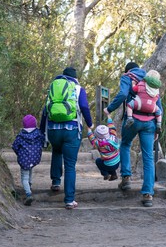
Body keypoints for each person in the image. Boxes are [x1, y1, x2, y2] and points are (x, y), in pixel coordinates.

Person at [104, 62, 163, 207]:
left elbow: (123, 94)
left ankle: (126, 178)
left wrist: (109, 108)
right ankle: (148, 194)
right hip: (150, 122)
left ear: (128, 70)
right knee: (148, 156)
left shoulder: (127, 77)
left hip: (133, 119)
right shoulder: (150, 79)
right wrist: (157, 127)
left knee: (124, 144)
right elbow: (159, 105)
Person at [40, 67, 93, 209]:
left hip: (53, 130)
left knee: (57, 151)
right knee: (70, 165)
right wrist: (90, 123)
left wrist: (41, 131)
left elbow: (45, 110)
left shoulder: (54, 86)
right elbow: (84, 106)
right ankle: (69, 200)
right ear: (75, 77)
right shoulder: (78, 89)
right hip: (71, 130)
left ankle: (56, 182)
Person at [12, 114, 45, 206]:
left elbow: (14, 146)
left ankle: (28, 194)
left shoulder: (20, 136)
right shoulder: (38, 134)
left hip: (24, 159)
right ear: (35, 124)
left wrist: (19, 153)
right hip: (34, 158)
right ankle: (29, 188)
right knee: (29, 171)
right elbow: (43, 142)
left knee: (24, 177)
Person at [125, 69, 162, 135]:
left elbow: (134, 89)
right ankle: (159, 124)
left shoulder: (142, 84)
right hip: (152, 108)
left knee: (129, 105)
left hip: (139, 105)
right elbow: (157, 98)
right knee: (159, 112)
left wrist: (133, 84)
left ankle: (129, 118)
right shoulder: (157, 90)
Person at [87, 114, 120, 181]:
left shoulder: (98, 143)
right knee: (110, 161)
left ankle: (105, 174)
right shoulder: (114, 137)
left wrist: (89, 128)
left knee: (99, 161)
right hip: (117, 162)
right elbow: (111, 126)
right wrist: (108, 115)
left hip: (108, 164)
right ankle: (114, 175)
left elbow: (91, 138)